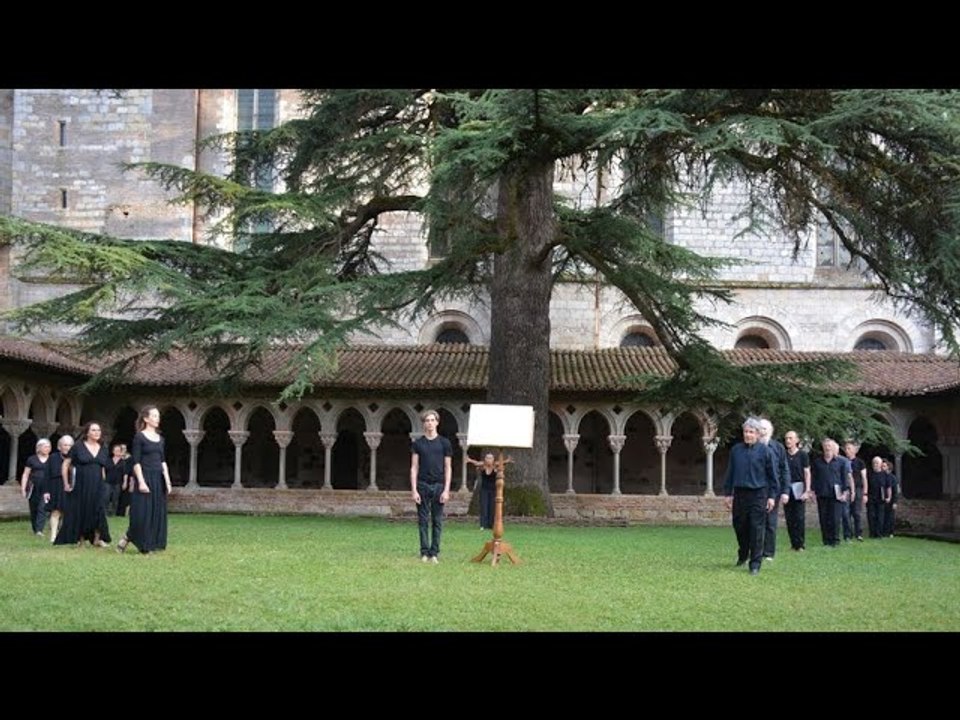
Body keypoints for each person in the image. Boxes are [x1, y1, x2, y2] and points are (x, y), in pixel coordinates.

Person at [722, 417, 778, 576]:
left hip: (759, 494)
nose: (748, 435)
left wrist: (772, 496)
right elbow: (730, 472)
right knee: (739, 526)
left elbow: (772, 476)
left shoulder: (765, 451)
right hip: (740, 493)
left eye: (751, 432)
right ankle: (743, 553)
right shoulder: (736, 450)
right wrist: (728, 494)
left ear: (758, 434)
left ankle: (755, 563)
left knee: (756, 528)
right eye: (746, 432)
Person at [117, 406, 172, 554]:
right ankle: (130, 538)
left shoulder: (161, 439)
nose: (157, 418)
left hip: (158, 478)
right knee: (142, 512)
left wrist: (167, 481)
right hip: (145, 476)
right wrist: (141, 481)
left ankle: (149, 544)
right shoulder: (139, 437)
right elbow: (136, 461)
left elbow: (163, 461)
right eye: (154, 416)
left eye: (158, 416)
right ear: (146, 419)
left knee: (156, 512)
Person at [54, 422, 111, 547]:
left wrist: (104, 483)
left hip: (98, 485)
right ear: (87, 432)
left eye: (98, 430)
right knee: (81, 510)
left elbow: (102, 468)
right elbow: (65, 464)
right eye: (94, 430)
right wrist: (66, 483)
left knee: (99, 510)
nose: (97, 433)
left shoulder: (103, 447)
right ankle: (81, 539)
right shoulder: (78, 447)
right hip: (81, 484)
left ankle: (97, 538)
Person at [410, 409, 452, 563]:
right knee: (422, 520)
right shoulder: (418, 444)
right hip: (422, 485)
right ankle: (424, 552)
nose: (430, 423)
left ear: (437, 422)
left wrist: (447, 490)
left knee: (437, 521)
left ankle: (434, 553)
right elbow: (414, 467)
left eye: (432, 420)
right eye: (427, 420)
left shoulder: (444, 443)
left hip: (439, 486)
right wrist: (414, 489)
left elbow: (448, 467)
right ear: (423, 423)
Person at [758, 419, 790, 561]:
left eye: (765, 429)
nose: (763, 432)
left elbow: (784, 470)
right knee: (756, 522)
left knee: (770, 522)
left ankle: (768, 553)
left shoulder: (778, 447)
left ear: (770, 431)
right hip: (757, 489)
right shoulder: (754, 447)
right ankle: (756, 551)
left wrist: (785, 491)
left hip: (773, 490)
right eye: (761, 429)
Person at [810, 438, 848, 547]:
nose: (827, 448)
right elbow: (814, 477)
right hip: (822, 493)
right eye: (825, 446)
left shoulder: (841, 462)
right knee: (824, 518)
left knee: (835, 518)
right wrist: (812, 491)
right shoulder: (817, 462)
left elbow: (844, 478)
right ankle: (826, 540)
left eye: (829, 446)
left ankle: (835, 540)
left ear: (833, 448)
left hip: (836, 494)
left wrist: (845, 492)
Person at [466, 452, 513, 531]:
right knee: (484, 506)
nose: (489, 460)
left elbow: (502, 463)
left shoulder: (495, 466)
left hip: (493, 490)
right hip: (484, 489)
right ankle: (483, 525)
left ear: (493, 459)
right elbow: (476, 463)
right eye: (487, 458)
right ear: (485, 459)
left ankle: (491, 525)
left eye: (490, 458)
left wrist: (507, 460)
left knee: (492, 507)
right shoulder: (483, 466)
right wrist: (469, 460)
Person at [782, 430, 811, 551]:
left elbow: (807, 473)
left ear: (797, 440)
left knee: (799, 517)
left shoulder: (803, 455)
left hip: (799, 488)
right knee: (789, 518)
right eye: (786, 438)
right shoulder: (783, 455)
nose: (788, 441)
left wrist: (807, 490)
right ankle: (793, 544)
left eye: (790, 438)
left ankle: (800, 544)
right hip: (787, 489)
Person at [20, 438, 52, 536]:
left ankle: (39, 530)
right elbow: (25, 474)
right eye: (45, 446)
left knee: (43, 508)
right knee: (34, 508)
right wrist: (23, 488)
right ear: (39, 448)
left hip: (47, 488)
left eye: (48, 446)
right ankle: (35, 528)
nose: (47, 448)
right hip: (33, 487)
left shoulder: (52, 459)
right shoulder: (32, 459)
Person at [45, 435, 74, 543]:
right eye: (65, 445)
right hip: (56, 486)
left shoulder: (75, 458)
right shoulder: (53, 457)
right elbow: (47, 474)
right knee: (56, 511)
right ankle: (53, 536)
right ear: (59, 447)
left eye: (70, 445)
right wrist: (46, 491)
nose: (67, 447)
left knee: (68, 512)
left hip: (71, 486)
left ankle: (65, 535)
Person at [841, 441, 867, 541]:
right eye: (846, 449)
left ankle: (858, 534)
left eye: (849, 448)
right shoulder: (842, 461)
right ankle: (847, 535)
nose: (847, 451)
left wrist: (865, 493)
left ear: (854, 450)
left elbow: (864, 478)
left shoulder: (860, 463)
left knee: (856, 512)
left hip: (858, 488)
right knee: (845, 512)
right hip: (846, 488)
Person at [865, 456, 891, 538]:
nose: (875, 464)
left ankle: (879, 534)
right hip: (871, 498)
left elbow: (888, 487)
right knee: (871, 516)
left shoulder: (885, 475)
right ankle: (872, 533)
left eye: (877, 463)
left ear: (880, 464)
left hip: (881, 498)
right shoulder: (869, 474)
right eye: (874, 463)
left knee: (880, 517)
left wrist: (889, 497)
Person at [104, 441, 127, 518]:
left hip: (117, 483)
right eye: (115, 450)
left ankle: (113, 513)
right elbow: (103, 469)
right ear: (113, 451)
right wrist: (103, 477)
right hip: (108, 482)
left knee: (115, 499)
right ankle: (105, 513)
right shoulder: (108, 460)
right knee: (106, 497)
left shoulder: (123, 462)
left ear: (121, 452)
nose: (117, 452)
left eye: (119, 450)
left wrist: (125, 482)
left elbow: (125, 473)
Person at [882, 459, 899, 537]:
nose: (882, 467)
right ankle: (883, 532)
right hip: (883, 499)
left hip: (891, 500)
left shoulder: (893, 478)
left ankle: (890, 532)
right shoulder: (882, 477)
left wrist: (895, 502)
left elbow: (895, 491)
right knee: (884, 516)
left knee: (890, 517)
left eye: (884, 466)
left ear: (889, 467)